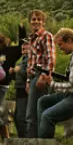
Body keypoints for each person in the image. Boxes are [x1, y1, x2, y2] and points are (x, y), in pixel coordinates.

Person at [0, 27, 25, 141]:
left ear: (0, 39)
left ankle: (4, 135)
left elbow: (21, 47)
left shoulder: (9, 51)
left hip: (2, 85)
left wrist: (22, 31)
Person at [25, 10, 56, 138]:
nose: (36, 22)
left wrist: (44, 76)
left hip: (40, 77)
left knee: (34, 114)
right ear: (29, 22)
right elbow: (30, 62)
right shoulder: (31, 39)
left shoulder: (46, 36)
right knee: (32, 114)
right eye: (33, 19)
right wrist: (27, 80)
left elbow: (51, 58)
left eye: (39, 19)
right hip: (33, 77)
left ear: (43, 22)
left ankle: (36, 144)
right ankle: (34, 144)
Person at [13, 41, 30, 137]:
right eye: (22, 48)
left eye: (25, 48)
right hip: (19, 89)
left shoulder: (30, 60)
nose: (23, 50)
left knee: (21, 117)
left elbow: (27, 75)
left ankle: (25, 139)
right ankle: (21, 138)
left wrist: (19, 70)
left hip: (25, 90)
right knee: (16, 117)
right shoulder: (22, 60)